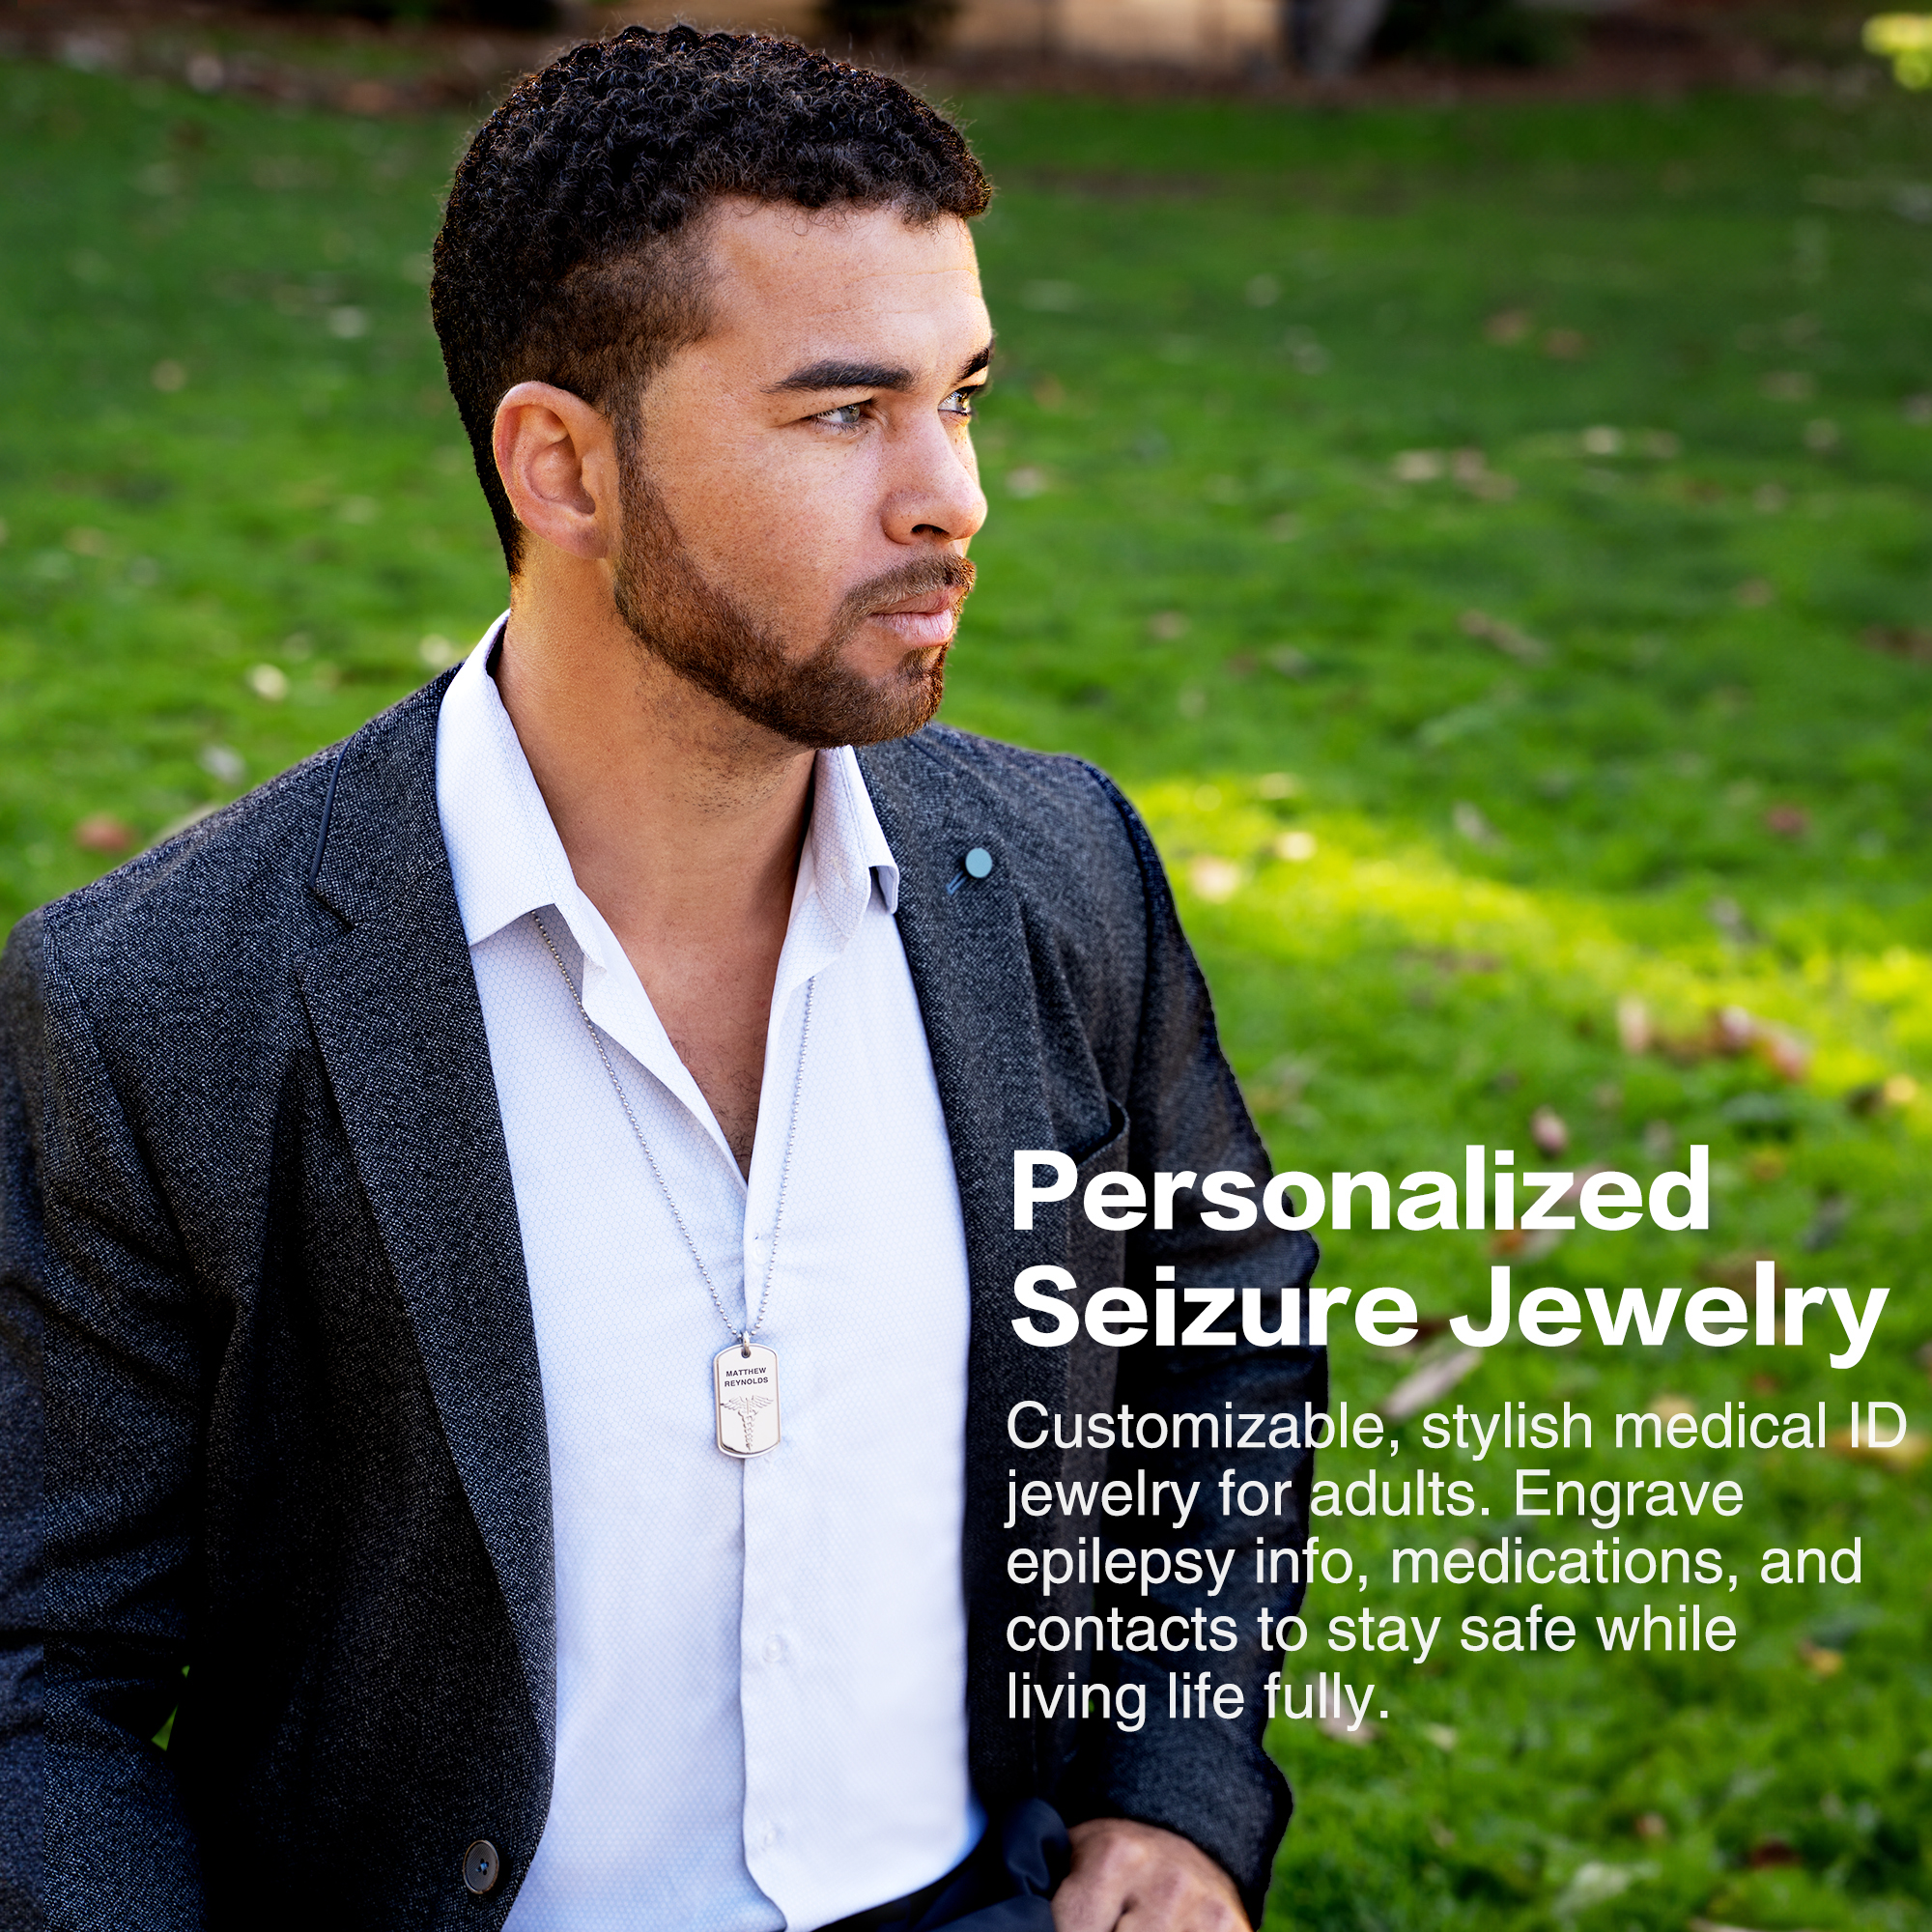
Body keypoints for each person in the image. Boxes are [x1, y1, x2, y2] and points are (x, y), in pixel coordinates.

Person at [0, 29, 1321, 1932]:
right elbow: (36, 1666)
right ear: (562, 464)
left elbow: (1223, 1328)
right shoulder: (159, 1000)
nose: (951, 497)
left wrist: (1174, 1786)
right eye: (842, 413)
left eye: (965, 398)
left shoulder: (1056, 871)